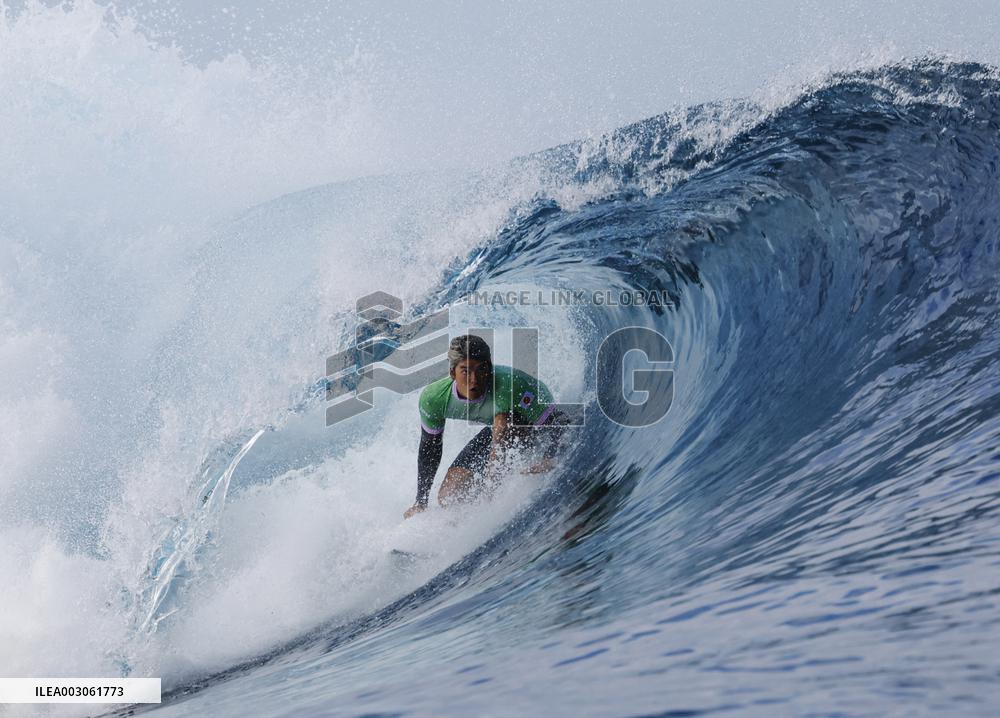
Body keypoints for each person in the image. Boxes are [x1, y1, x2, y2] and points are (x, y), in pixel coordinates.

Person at [404, 334, 568, 518]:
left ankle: (492, 499)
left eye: (481, 370)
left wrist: (550, 456)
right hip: (496, 429)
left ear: (489, 368)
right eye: (466, 371)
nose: (474, 379)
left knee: (501, 423)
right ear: (452, 373)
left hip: (531, 417)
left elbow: (558, 422)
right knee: (449, 496)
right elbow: (429, 448)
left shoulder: (511, 385)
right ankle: (473, 514)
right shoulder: (434, 398)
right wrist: (421, 501)